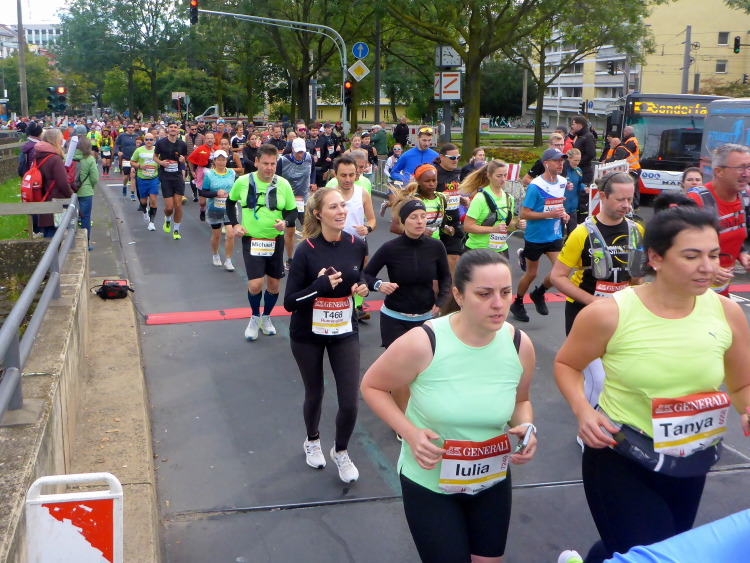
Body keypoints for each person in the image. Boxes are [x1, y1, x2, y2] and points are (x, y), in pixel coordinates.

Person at [554, 204, 750, 563]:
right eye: (691, 256)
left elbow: (741, 385)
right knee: (652, 554)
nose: (708, 267)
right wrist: (583, 410)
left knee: (656, 547)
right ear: (656, 258)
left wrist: (747, 408)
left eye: (713, 255)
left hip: (690, 458)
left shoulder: (727, 312)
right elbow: (567, 364)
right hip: (622, 454)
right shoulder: (609, 313)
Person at [360, 249, 537, 563]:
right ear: (458, 295)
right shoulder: (424, 342)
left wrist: (525, 427)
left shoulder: (519, 344)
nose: (499, 304)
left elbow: (520, 401)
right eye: (484, 294)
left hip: (492, 479)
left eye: (505, 292)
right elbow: (372, 386)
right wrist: (409, 433)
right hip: (430, 484)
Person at [283, 187, 369, 483]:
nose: (341, 211)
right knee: (315, 392)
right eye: (333, 207)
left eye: (343, 205)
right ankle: (312, 440)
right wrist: (318, 287)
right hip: (307, 333)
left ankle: (341, 450)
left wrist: (362, 286)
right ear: (318, 214)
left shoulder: (357, 245)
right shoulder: (305, 250)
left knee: (350, 401)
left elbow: (361, 276)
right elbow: (290, 302)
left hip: (344, 331)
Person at [550, 172, 642, 414]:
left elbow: (637, 277)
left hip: (622, 314)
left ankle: (610, 421)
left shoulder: (636, 230)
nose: (626, 205)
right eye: (620, 199)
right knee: (597, 379)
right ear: (602, 197)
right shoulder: (582, 233)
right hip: (585, 314)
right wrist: (594, 302)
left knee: (621, 376)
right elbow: (557, 277)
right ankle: (590, 426)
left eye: (630, 199)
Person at [365, 197, 451, 414]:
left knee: (424, 372)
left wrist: (441, 301)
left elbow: (446, 277)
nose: (420, 221)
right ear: (403, 222)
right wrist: (379, 285)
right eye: (413, 217)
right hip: (395, 319)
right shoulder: (390, 248)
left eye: (423, 216)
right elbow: (366, 274)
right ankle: (402, 421)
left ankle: (420, 413)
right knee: (401, 374)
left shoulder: (436, 247)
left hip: (425, 321)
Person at [227, 143, 298, 340]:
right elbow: (230, 202)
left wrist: (285, 222)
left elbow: (292, 211)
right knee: (256, 284)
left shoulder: (283, 184)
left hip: (275, 241)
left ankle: (266, 317)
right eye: (265, 163)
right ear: (257, 162)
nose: (269, 168)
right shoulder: (243, 181)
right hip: (252, 240)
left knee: (274, 284)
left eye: (273, 164)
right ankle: (254, 316)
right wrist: (235, 224)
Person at [510, 148, 569, 322]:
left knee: (561, 271)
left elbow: (557, 205)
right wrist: (548, 215)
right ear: (546, 163)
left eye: (562, 161)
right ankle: (518, 302)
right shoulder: (536, 186)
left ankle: (539, 292)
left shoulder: (563, 182)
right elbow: (524, 214)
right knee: (531, 274)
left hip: (554, 235)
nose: (560, 164)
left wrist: (563, 213)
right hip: (535, 236)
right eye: (556, 161)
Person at [687, 143, 750, 296]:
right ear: (719, 171)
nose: (746, 174)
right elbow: (674, 251)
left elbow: (734, 236)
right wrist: (709, 268)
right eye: (740, 168)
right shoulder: (697, 201)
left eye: (749, 167)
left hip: (721, 293)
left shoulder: (745, 197)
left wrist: (742, 254)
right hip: (693, 295)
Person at [463, 160, 526, 259]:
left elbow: (508, 225)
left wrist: (517, 225)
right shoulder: (480, 198)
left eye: (505, 175)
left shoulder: (509, 198)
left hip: (501, 249)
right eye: (499, 176)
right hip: (479, 250)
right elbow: (467, 227)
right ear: (489, 176)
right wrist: (493, 229)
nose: (503, 179)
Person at [278, 137, 316, 268]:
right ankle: (289, 258)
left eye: (302, 152)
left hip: (304, 199)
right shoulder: (283, 161)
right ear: (293, 149)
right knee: (290, 231)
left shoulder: (308, 158)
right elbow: (277, 178)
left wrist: (313, 182)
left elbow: (313, 170)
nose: (301, 154)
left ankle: (308, 258)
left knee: (308, 230)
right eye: (298, 152)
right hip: (288, 200)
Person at [200, 150, 236, 271]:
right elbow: (203, 192)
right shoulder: (209, 174)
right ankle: (215, 254)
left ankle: (228, 260)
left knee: (230, 234)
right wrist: (216, 193)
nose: (221, 162)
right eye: (219, 160)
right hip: (214, 208)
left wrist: (234, 195)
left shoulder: (231, 173)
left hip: (229, 208)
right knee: (217, 235)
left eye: (223, 160)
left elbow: (236, 188)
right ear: (214, 161)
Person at [35, 129, 74, 238]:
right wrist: (72, 196)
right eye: (61, 141)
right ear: (54, 141)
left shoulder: (38, 156)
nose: (62, 144)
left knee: (48, 233)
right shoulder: (55, 159)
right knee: (56, 235)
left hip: (42, 197)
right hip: (55, 200)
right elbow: (63, 183)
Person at [154, 122, 188, 239]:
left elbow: (184, 159)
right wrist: (161, 162)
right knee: (169, 207)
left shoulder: (182, 144)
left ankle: (176, 230)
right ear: (168, 129)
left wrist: (183, 160)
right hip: (165, 177)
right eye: (171, 127)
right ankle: (167, 219)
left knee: (178, 205)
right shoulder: (161, 143)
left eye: (175, 127)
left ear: (178, 129)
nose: (173, 129)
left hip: (177, 177)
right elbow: (154, 156)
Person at [72, 135, 99, 249]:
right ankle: (86, 243)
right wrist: (91, 186)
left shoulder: (66, 157)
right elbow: (94, 177)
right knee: (85, 217)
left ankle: (71, 242)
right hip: (85, 191)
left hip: (69, 192)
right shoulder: (89, 159)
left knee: (70, 217)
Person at [130, 133, 161, 231]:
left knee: (153, 199)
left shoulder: (157, 150)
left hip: (154, 178)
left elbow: (161, 161)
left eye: (151, 140)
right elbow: (132, 161)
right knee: (143, 201)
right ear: (144, 140)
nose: (149, 141)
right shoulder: (139, 150)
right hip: (142, 178)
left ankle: (152, 222)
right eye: (147, 139)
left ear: (154, 140)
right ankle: (144, 211)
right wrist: (139, 166)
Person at [563, 148, 586, 235]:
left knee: (572, 234)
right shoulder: (562, 170)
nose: (577, 163)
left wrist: (584, 188)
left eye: (579, 160)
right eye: (575, 160)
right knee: (560, 235)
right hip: (562, 208)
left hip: (573, 208)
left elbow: (579, 184)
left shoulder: (578, 170)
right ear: (568, 159)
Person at [114, 123, 139, 199]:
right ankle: (124, 186)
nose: (131, 128)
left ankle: (132, 193)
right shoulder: (122, 136)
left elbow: (141, 145)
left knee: (133, 176)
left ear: (134, 128)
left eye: (132, 127)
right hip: (125, 158)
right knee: (126, 176)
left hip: (134, 159)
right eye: (129, 127)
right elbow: (116, 145)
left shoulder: (137, 136)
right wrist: (118, 152)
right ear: (127, 128)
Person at [570, 115, 597, 185]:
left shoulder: (587, 137)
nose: (572, 126)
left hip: (584, 171)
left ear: (579, 126)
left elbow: (591, 154)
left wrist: (578, 162)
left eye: (573, 124)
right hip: (580, 169)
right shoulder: (581, 136)